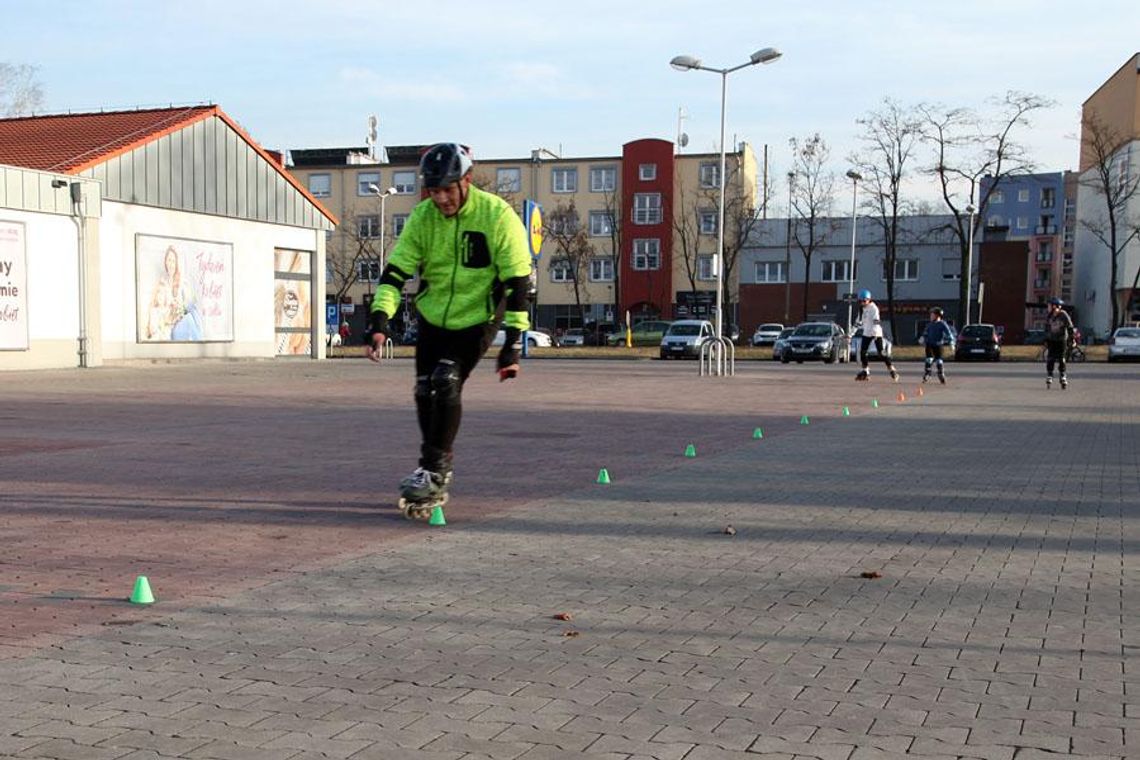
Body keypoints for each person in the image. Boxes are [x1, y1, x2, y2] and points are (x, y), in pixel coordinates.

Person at [364, 143, 532, 515]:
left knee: (445, 380)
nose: (441, 198)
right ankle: (429, 467)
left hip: (478, 317)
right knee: (424, 390)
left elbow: (518, 281)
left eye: (448, 189)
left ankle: (438, 471)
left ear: (467, 181)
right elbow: (396, 271)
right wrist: (379, 319)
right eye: (433, 190)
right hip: (434, 315)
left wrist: (514, 344)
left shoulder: (496, 216)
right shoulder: (423, 217)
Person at [853, 289, 899, 382]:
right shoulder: (861, 309)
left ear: (869, 300)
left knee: (881, 353)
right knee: (863, 353)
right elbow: (858, 323)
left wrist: (875, 333)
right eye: (861, 301)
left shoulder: (874, 308)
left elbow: (876, 321)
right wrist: (850, 334)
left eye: (864, 301)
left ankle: (892, 369)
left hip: (876, 333)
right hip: (866, 333)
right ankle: (865, 372)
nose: (862, 303)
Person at [1043, 297, 1075, 389]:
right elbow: (1046, 329)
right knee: (1050, 358)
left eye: (1049, 306)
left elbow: (1070, 327)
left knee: (1062, 358)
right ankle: (1050, 374)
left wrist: (1072, 339)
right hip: (1052, 340)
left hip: (1061, 340)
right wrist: (1045, 340)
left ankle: (1062, 374)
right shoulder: (1049, 316)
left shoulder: (1063, 315)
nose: (1048, 308)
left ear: (1054, 306)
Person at [920, 307, 954, 384]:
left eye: (932, 315)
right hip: (929, 344)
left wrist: (951, 343)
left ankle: (940, 373)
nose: (931, 316)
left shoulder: (942, 324)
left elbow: (949, 333)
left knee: (939, 360)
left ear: (937, 316)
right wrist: (922, 338)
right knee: (929, 359)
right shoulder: (929, 324)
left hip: (938, 344)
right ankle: (928, 372)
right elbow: (925, 333)